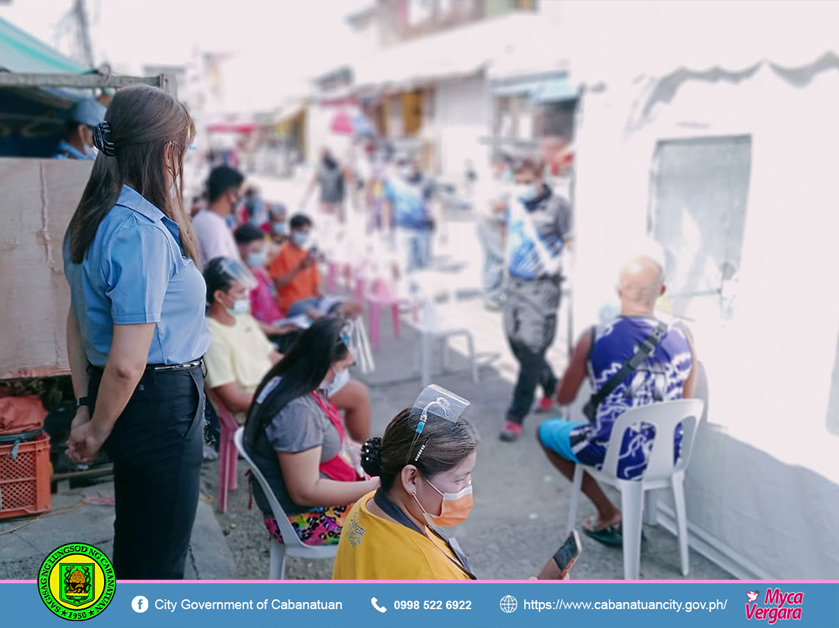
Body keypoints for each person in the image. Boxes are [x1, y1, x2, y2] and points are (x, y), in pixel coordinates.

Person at [62, 84, 209, 579]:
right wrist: (96, 430)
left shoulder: (91, 217)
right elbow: (128, 362)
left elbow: (77, 319)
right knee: (159, 558)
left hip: (127, 400)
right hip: (159, 402)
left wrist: (87, 408)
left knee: (140, 535)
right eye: (183, 148)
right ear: (167, 151)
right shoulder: (140, 230)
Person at [332, 385, 572, 580]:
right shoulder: (430, 573)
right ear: (411, 478)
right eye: (460, 478)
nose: (468, 487)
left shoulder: (365, 507)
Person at [538, 255, 697, 546]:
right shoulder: (683, 339)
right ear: (661, 292)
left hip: (613, 456)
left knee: (545, 431)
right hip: (668, 456)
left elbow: (564, 397)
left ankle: (608, 512)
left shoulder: (594, 337)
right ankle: (622, 514)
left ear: (618, 289)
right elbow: (686, 405)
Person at [243, 318, 379, 547]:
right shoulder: (297, 412)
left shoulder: (290, 379)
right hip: (302, 519)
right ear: (327, 363)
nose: (344, 376)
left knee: (405, 500)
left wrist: (377, 454)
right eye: (344, 367)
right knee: (398, 520)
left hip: (307, 505)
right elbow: (305, 492)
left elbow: (334, 444)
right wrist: (375, 487)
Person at [204, 257, 371, 440]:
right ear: (219, 296)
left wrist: (307, 370)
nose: (247, 297)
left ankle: (359, 458)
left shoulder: (243, 319)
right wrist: (287, 395)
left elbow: (272, 355)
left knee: (354, 391)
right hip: (261, 410)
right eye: (241, 292)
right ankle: (352, 458)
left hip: (278, 392)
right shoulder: (213, 338)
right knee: (342, 407)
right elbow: (233, 400)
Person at [499, 156, 573, 442]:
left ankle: (515, 416)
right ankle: (551, 386)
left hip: (542, 289)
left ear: (541, 178)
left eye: (528, 183)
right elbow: (507, 231)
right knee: (516, 341)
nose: (523, 188)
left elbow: (570, 241)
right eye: (518, 183)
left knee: (531, 351)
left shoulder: (558, 206)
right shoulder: (515, 203)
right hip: (514, 284)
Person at [268, 214, 363, 319]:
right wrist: (298, 268)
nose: (303, 235)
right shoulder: (281, 253)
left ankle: (336, 320)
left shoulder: (307, 255)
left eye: (306, 232)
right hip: (292, 304)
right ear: (291, 230)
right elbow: (277, 286)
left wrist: (327, 299)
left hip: (313, 301)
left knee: (355, 307)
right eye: (300, 231)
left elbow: (316, 288)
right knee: (317, 315)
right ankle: (330, 320)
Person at [383, 155, 440, 275]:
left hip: (423, 229)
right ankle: (408, 290)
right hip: (403, 228)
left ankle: (423, 289)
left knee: (425, 265)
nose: (409, 168)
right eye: (403, 165)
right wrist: (387, 228)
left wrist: (441, 226)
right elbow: (387, 205)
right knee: (406, 264)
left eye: (412, 165)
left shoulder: (426, 180)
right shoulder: (393, 183)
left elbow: (435, 202)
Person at [476, 153, 513, 310]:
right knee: (497, 260)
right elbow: (492, 207)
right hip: (488, 223)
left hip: (494, 224)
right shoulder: (488, 183)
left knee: (491, 260)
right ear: (499, 165)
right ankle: (492, 294)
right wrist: (511, 203)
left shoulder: (497, 182)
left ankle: (491, 292)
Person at [192, 165, 245, 267]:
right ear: (231, 194)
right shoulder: (211, 224)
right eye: (239, 192)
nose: (240, 198)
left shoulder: (214, 220)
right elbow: (222, 272)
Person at [302, 148, 346, 220]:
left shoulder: (339, 166)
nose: (325, 157)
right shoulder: (320, 168)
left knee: (339, 223)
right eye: (322, 155)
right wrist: (305, 198)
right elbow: (312, 183)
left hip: (337, 200)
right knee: (325, 220)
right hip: (325, 200)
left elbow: (349, 179)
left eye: (326, 155)